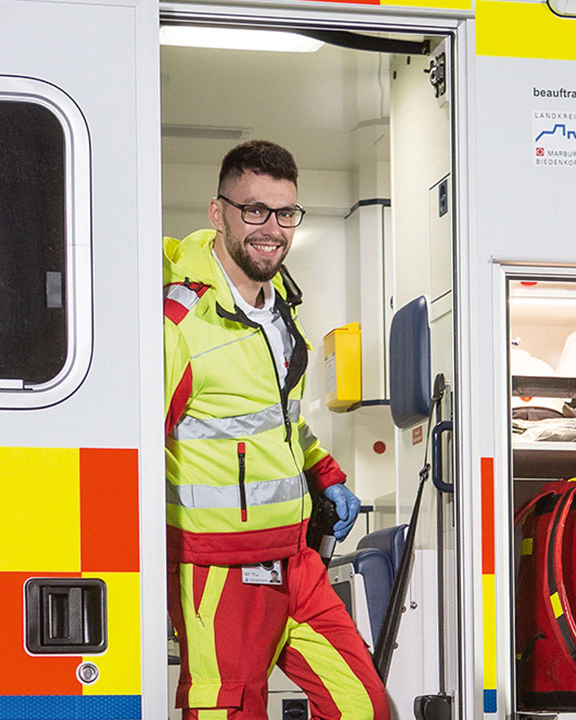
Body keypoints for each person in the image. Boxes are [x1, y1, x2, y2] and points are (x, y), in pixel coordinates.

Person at [163, 140, 388, 719]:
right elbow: (136, 446)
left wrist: (325, 474)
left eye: (286, 213)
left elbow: (280, 420)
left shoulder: (280, 304)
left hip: (294, 558)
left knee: (363, 707)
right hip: (219, 567)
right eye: (254, 210)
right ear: (219, 213)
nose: (273, 229)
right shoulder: (179, 324)